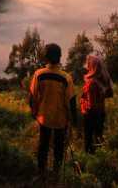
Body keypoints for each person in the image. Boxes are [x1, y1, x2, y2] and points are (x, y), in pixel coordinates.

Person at [29, 43, 77, 175]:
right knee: (59, 147)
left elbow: (32, 96)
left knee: (43, 145)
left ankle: (41, 172)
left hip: (43, 117)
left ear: (45, 57)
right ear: (60, 57)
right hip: (60, 119)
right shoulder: (66, 78)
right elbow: (72, 100)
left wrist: (34, 112)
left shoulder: (39, 74)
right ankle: (56, 172)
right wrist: (73, 119)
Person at [80, 54, 113, 153]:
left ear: (91, 67)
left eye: (88, 65)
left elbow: (90, 104)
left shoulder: (91, 83)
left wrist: (82, 104)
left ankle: (90, 161)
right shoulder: (101, 81)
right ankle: (100, 159)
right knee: (98, 138)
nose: (87, 67)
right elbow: (109, 94)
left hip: (91, 115)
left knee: (89, 141)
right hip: (100, 113)